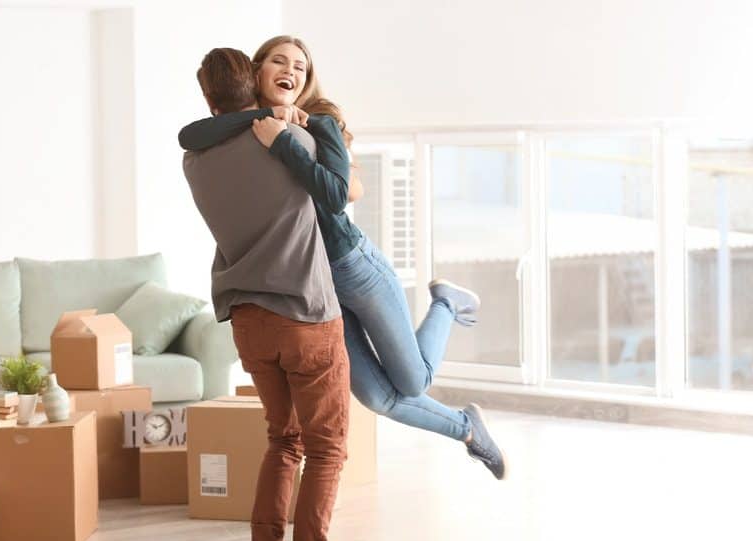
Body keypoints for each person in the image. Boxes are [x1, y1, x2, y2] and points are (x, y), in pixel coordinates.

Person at [179, 36, 507, 480]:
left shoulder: (318, 122)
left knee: (414, 382)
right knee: (377, 398)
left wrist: (285, 142)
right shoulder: (246, 130)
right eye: (279, 61)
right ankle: (468, 429)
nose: (290, 71)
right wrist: (263, 118)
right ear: (256, 72)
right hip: (312, 289)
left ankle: (446, 304)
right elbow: (189, 135)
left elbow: (342, 193)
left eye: (300, 66)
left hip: (352, 265)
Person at [182, 47, 349, 541]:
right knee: (326, 449)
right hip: (305, 315)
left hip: (249, 322)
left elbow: (195, 133)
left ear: (209, 100)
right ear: (255, 82)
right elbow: (339, 191)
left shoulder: (195, 161)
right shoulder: (293, 139)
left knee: (283, 440)